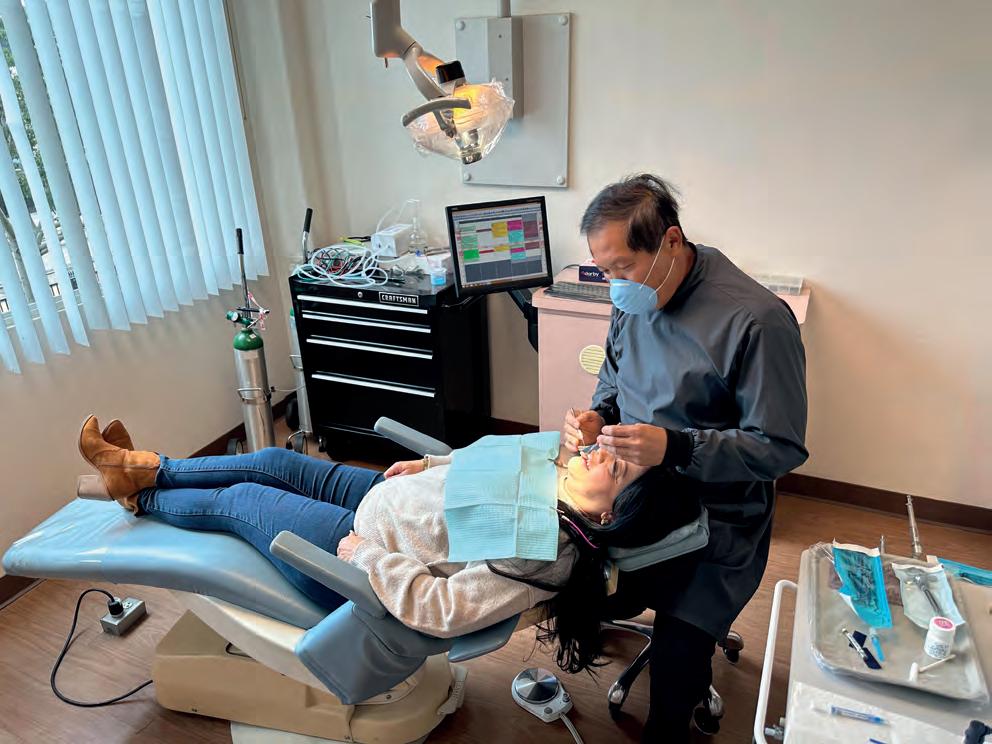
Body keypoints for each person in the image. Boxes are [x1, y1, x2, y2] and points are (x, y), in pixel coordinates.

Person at [76, 415, 698, 673]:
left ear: (610, 512)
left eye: (615, 468)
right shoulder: (558, 465)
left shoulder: (543, 551)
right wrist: (428, 465)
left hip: (356, 553)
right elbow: (480, 467)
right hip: (380, 495)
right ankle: (144, 467)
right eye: (610, 449)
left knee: (240, 500)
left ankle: (139, 496)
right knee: (268, 460)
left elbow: (444, 610)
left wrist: (363, 558)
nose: (598, 454)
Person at [563, 174, 808, 742]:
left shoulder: (757, 322)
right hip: (636, 497)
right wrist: (598, 415)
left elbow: (780, 447)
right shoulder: (634, 296)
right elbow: (614, 379)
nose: (614, 285)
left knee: (677, 662)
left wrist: (677, 446)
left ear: (670, 241)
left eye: (623, 267)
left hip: (718, 518)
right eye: (604, 270)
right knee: (574, 583)